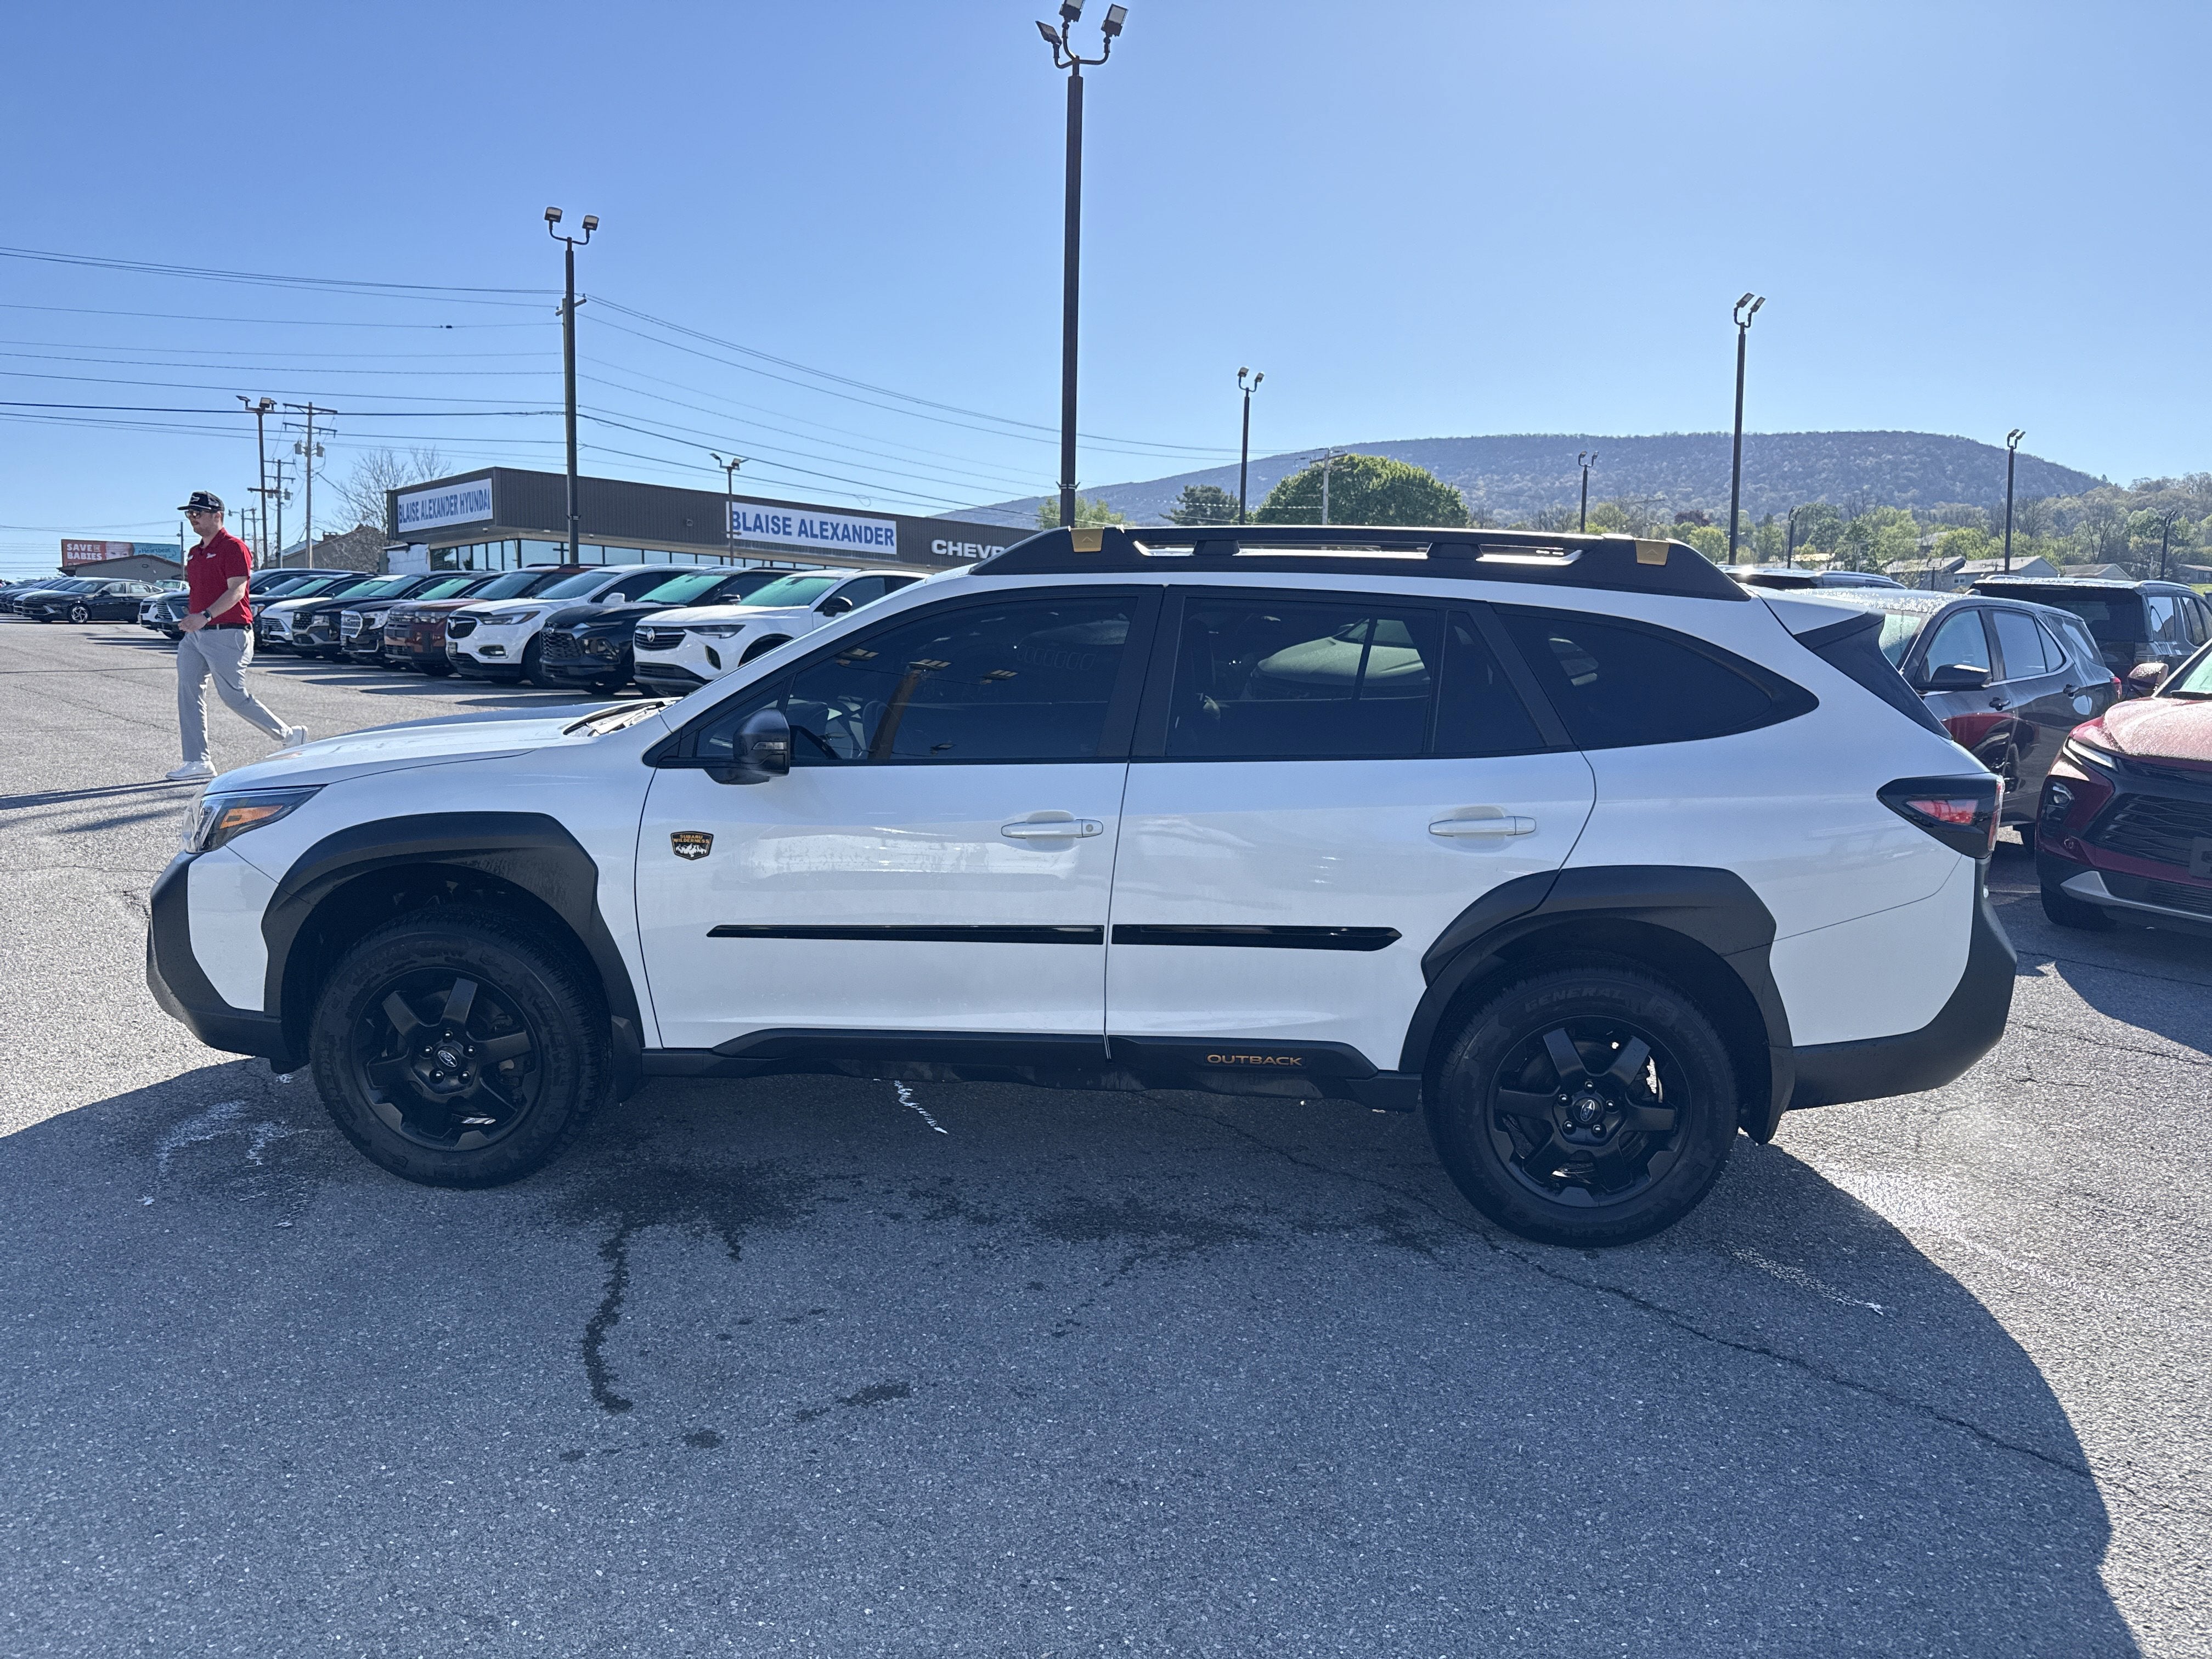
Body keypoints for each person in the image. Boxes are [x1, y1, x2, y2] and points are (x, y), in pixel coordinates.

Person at [166, 490, 306, 783]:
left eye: (198, 513)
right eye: (189, 514)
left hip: (229, 633)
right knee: (188, 693)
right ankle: (197, 761)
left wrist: (204, 616)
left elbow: (237, 592)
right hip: (196, 636)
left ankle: (290, 736)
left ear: (217, 516)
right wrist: (195, 621)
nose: (193, 518)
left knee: (233, 696)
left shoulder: (234, 548)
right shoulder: (194, 553)